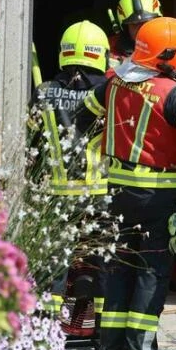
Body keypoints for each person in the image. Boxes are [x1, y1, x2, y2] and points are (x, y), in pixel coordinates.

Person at [82, 17, 176, 350]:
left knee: (117, 269)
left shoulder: (114, 83)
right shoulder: (172, 93)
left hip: (116, 192)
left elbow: (83, 115)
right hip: (157, 196)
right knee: (151, 271)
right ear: (168, 57)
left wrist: (100, 150)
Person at [28, 20, 110, 322]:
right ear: (100, 53)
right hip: (99, 191)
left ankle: (48, 328)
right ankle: (102, 328)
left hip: (56, 193)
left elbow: (32, 136)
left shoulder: (45, 91)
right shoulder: (108, 91)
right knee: (102, 260)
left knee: (54, 263)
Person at [108, 0, 176, 99]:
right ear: (125, 28)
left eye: (147, 23)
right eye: (135, 25)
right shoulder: (109, 51)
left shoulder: (169, 53)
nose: (142, 29)